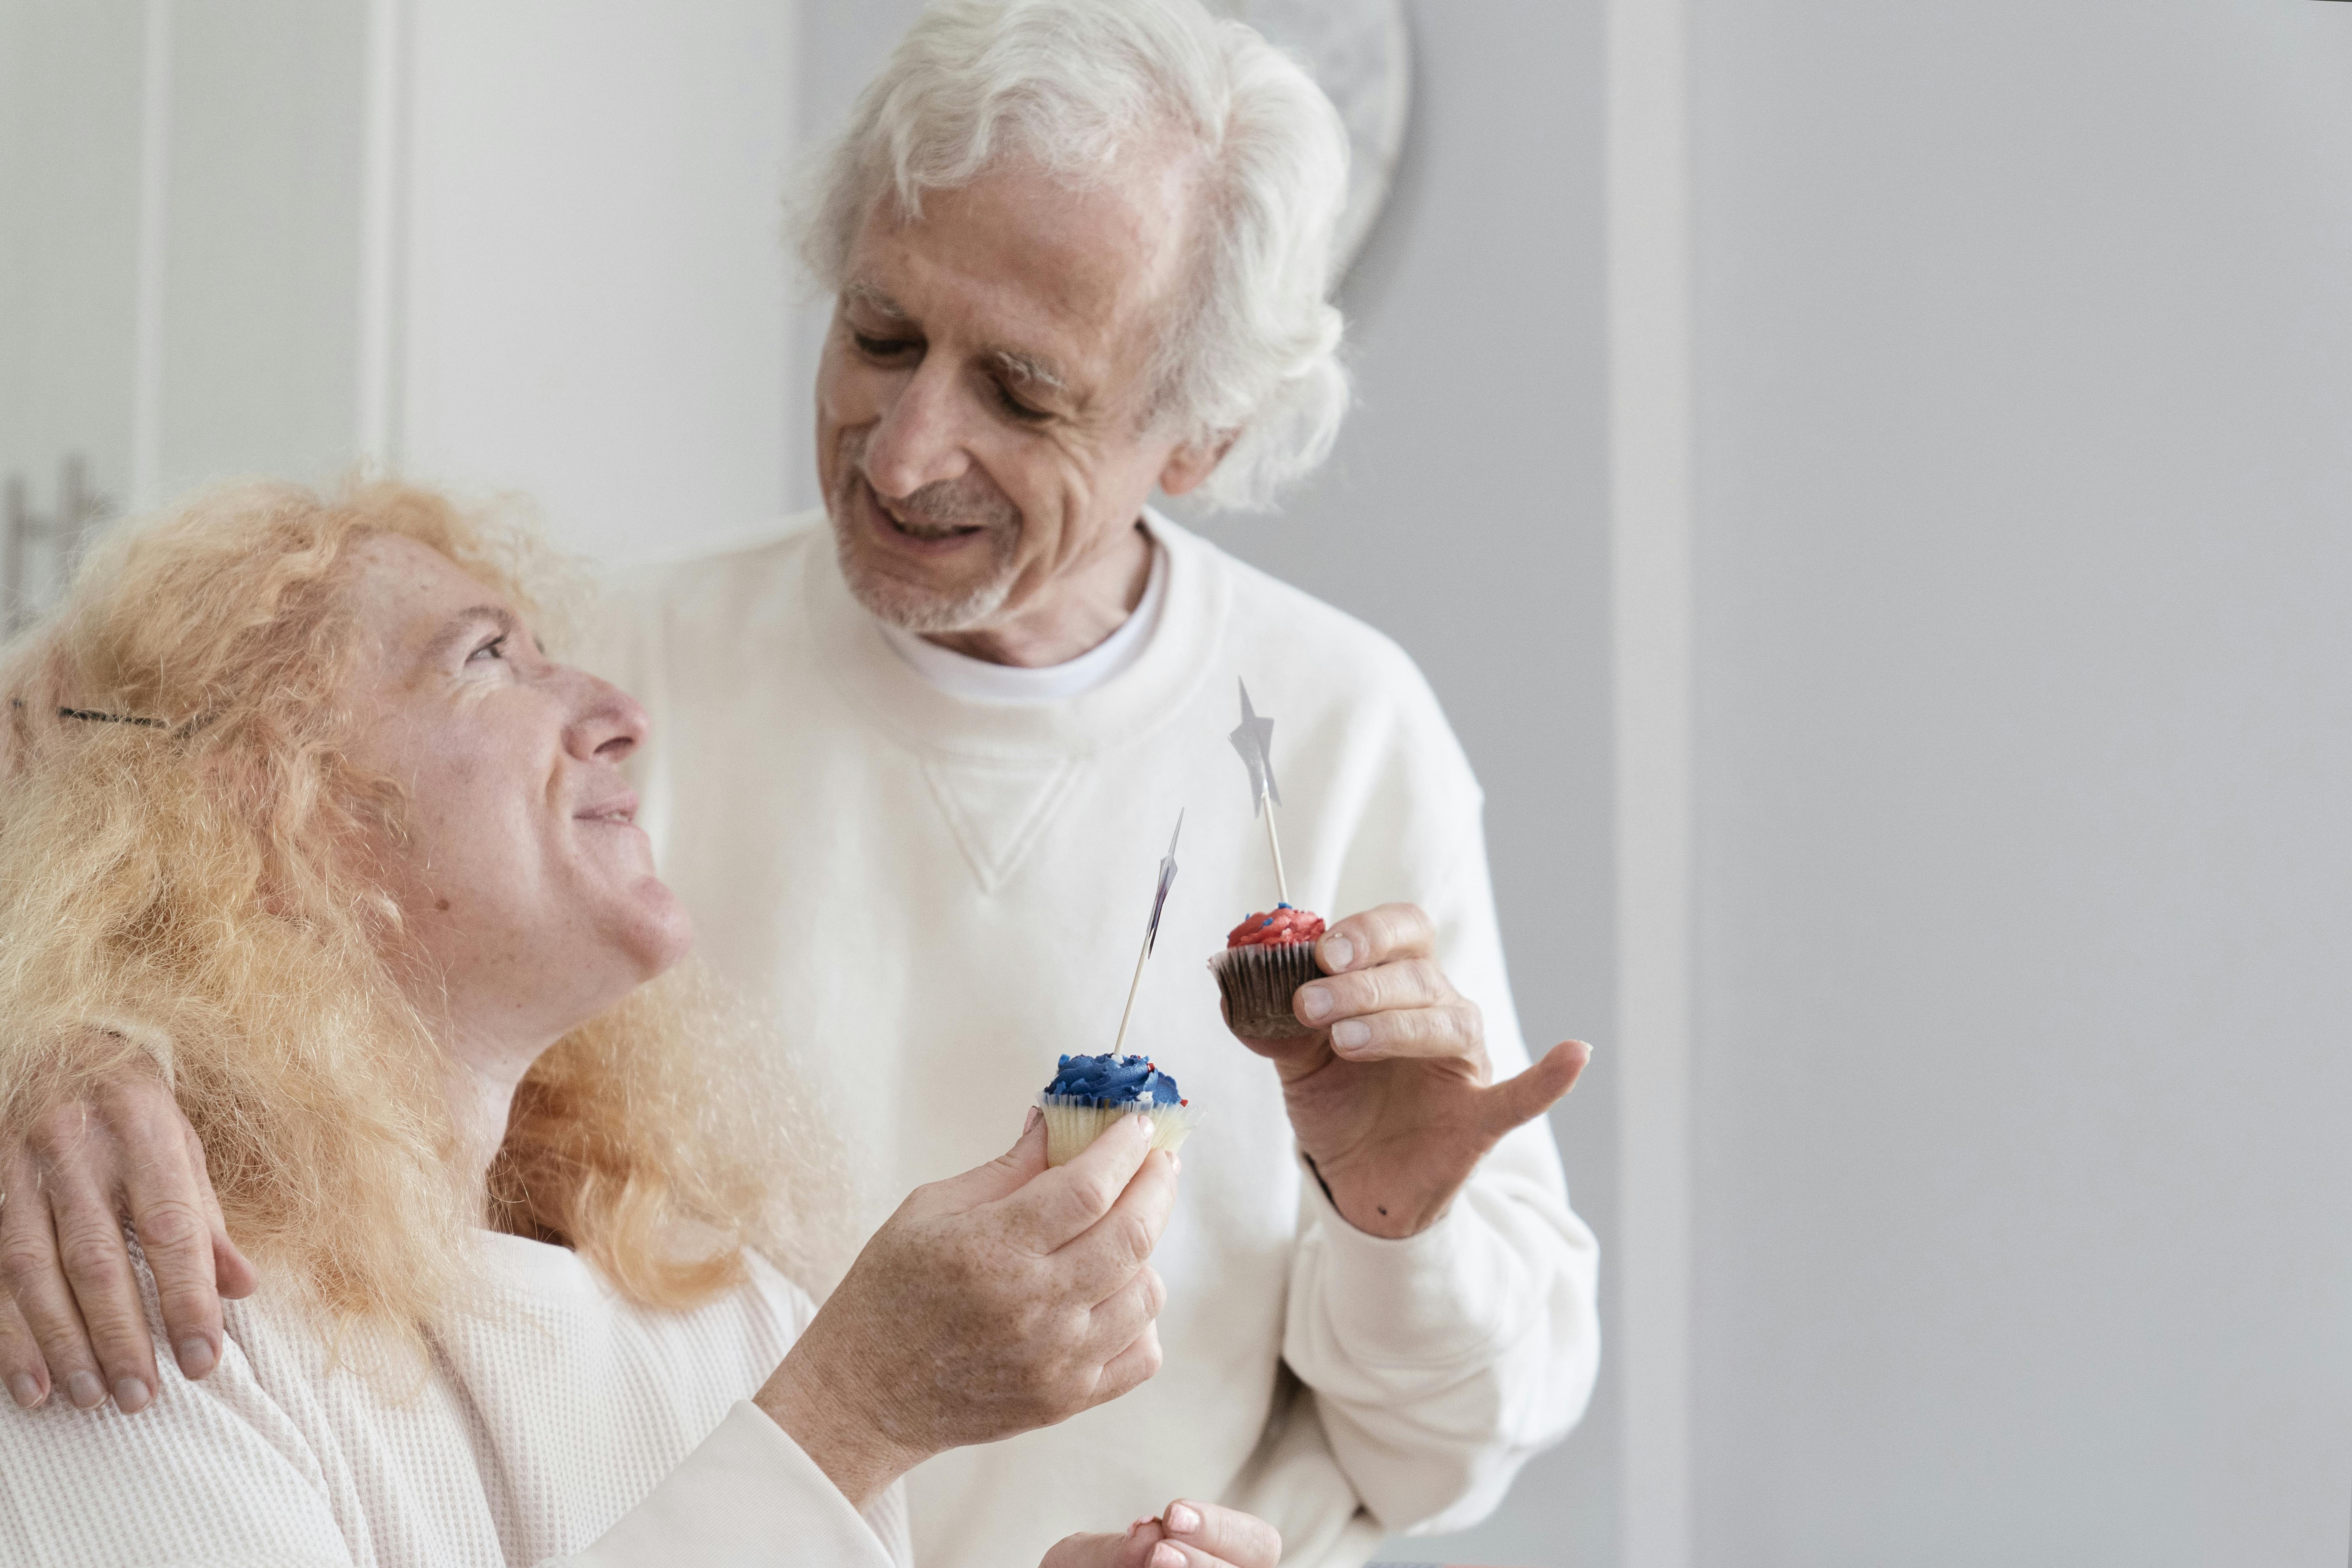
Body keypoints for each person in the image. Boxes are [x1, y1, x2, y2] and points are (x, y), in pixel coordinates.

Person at [0, 3, 1603, 1564]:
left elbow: (1437, 1453)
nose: (900, 453)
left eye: (1023, 393)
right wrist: (47, 1037)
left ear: (1201, 435)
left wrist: (1400, 1219)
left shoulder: (1339, 727)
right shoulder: (617, 678)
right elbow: (114, 752)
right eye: (879, 334)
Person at [0, 480, 1281, 1568]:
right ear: (262, 807)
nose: (618, 708)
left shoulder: (720, 1310)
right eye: (488, 657)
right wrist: (846, 1420)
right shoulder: (112, 1300)